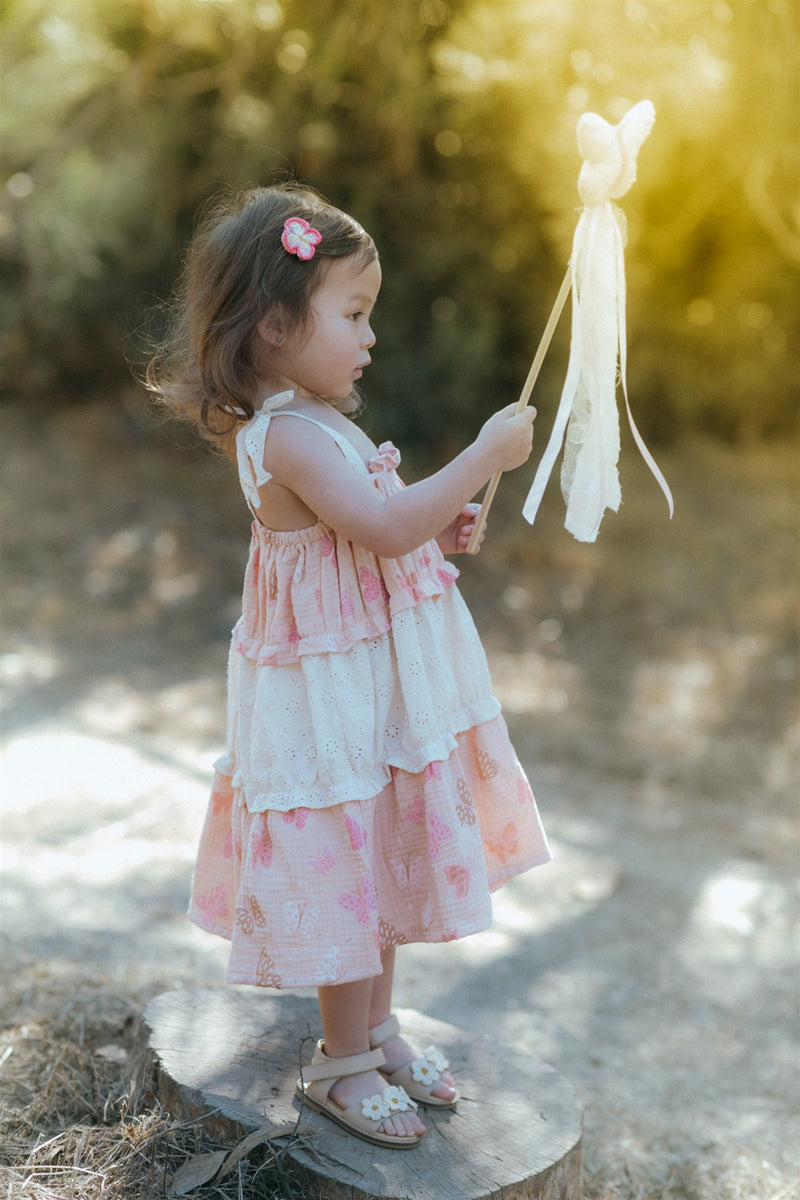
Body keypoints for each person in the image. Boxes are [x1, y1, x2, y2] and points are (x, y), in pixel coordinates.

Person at [147, 183, 551, 1149]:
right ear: (276, 325)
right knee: (343, 853)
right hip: (323, 699)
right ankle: (339, 1062)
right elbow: (373, 524)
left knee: (380, 839)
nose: (371, 335)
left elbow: (385, 537)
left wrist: (440, 524)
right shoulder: (284, 436)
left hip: (370, 681)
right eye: (354, 313)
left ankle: (374, 1028)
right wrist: (482, 456)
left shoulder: (323, 420)